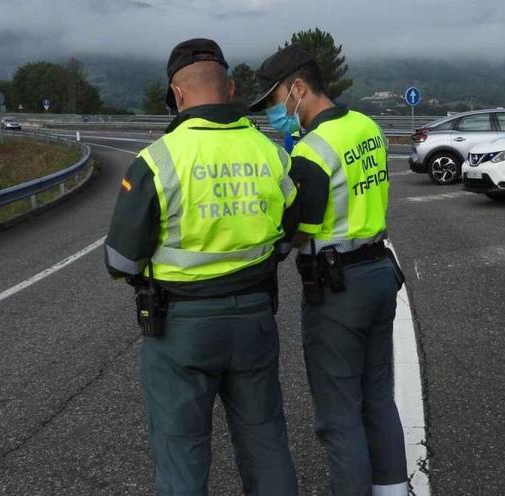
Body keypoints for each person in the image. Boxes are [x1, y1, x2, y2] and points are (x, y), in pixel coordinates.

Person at [105, 38, 299, 496]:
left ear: (176, 94)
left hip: (180, 329)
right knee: (265, 440)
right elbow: (287, 237)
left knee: (182, 452)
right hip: (254, 317)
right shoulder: (271, 153)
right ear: (230, 87)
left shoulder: (158, 160)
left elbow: (120, 260)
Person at [250, 45, 409, 496]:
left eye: (274, 101)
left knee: (339, 416)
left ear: (298, 89)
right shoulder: (367, 126)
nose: (272, 114)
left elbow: (295, 234)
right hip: (379, 269)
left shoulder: (312, 153)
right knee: (377, 399)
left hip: (338, 288)